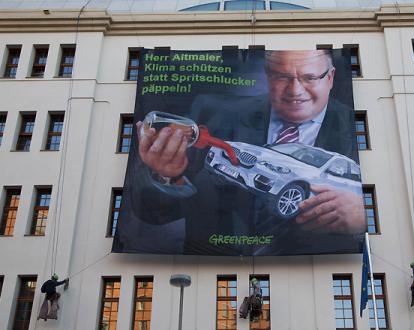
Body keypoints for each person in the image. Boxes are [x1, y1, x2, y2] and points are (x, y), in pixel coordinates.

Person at [123, 50, 365, 255]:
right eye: (282, 77)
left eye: (310, 77)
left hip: (313, 272)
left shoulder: (355, 126)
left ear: (330, 78)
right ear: (268, 76)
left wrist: (361, 216)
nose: (295, 91)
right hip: (206, 268)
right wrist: (166, 176)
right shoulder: (214, 113)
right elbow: (152, 213)